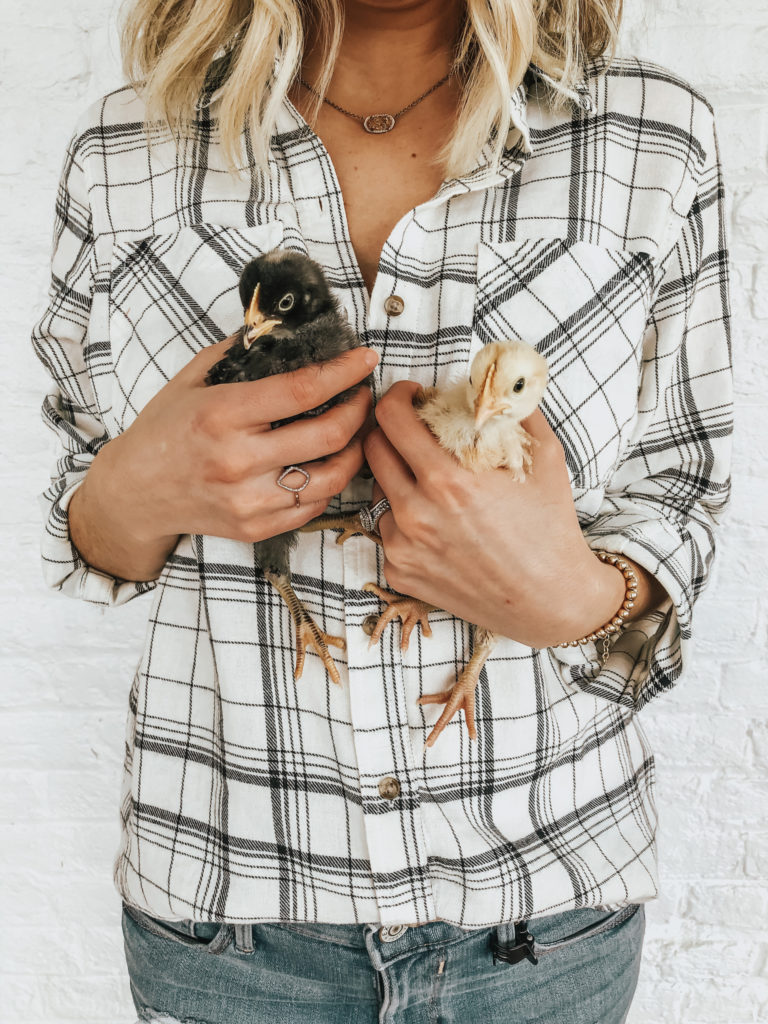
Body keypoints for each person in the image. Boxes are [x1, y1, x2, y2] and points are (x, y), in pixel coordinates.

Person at [32, 0, 732, 1021]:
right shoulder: (123, 152)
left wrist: (576, 597)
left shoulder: (652, 139)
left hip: (545, 926)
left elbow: (682, 487)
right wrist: (133, 490)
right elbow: (84, 513)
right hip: (230, 927)